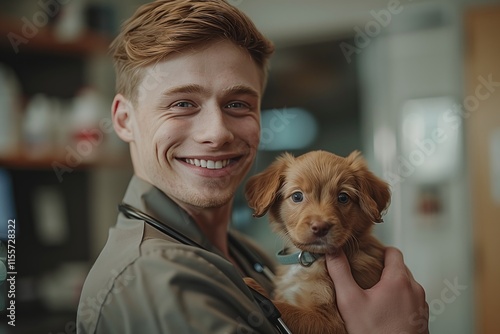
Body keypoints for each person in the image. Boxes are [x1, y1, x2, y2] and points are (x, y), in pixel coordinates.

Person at [76, 1, 429, 333]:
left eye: (237, 104)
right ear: (124, 120)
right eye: (183, 103)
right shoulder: (156, 280)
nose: (216, 133)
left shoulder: (248, 253)